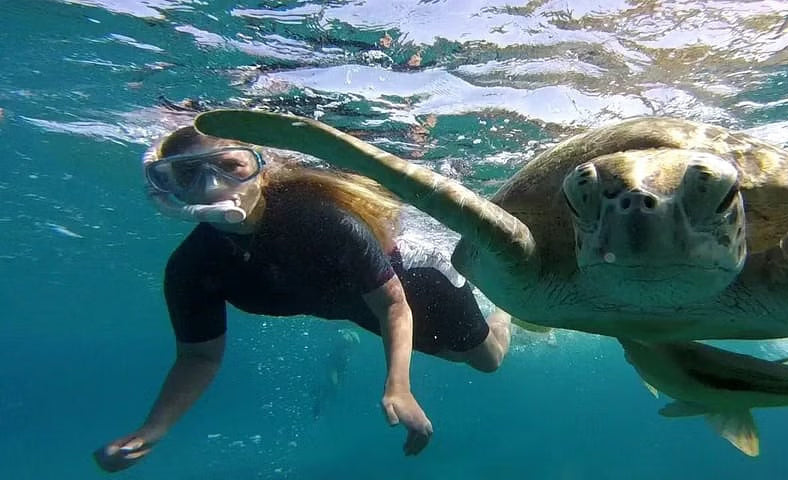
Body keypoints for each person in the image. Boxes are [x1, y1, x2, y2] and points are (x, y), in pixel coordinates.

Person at [93, 125, 512, 472]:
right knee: (454, 355)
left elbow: (393, 305)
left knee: (486, 359)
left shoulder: (321, 219)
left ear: (261, 169)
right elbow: (199, 357)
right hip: (357, 304)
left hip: (416, 277)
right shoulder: (191, 267)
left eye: (231, 166)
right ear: (169, 186)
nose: (212, 185)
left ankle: (505, 307)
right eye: (188, 174)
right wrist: (152, 430)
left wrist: (398, 387)